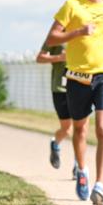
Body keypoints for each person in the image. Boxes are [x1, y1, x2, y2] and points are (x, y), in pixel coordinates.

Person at [44, 0, 103, 205]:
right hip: (77, 75)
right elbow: (52, 38)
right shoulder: (72, 5)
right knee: (80, 129)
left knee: (102, 128)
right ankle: (82, 170)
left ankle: (100, 184)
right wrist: (77, 32)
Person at [36, 39, 77, 178]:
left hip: (81, 85)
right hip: (60, 88)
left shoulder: (87, 29)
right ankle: (55, 143)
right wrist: (59, 57)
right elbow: (40, 58)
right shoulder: (57, 33)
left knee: (80, 128)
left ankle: (79, 166)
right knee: (67, 128)